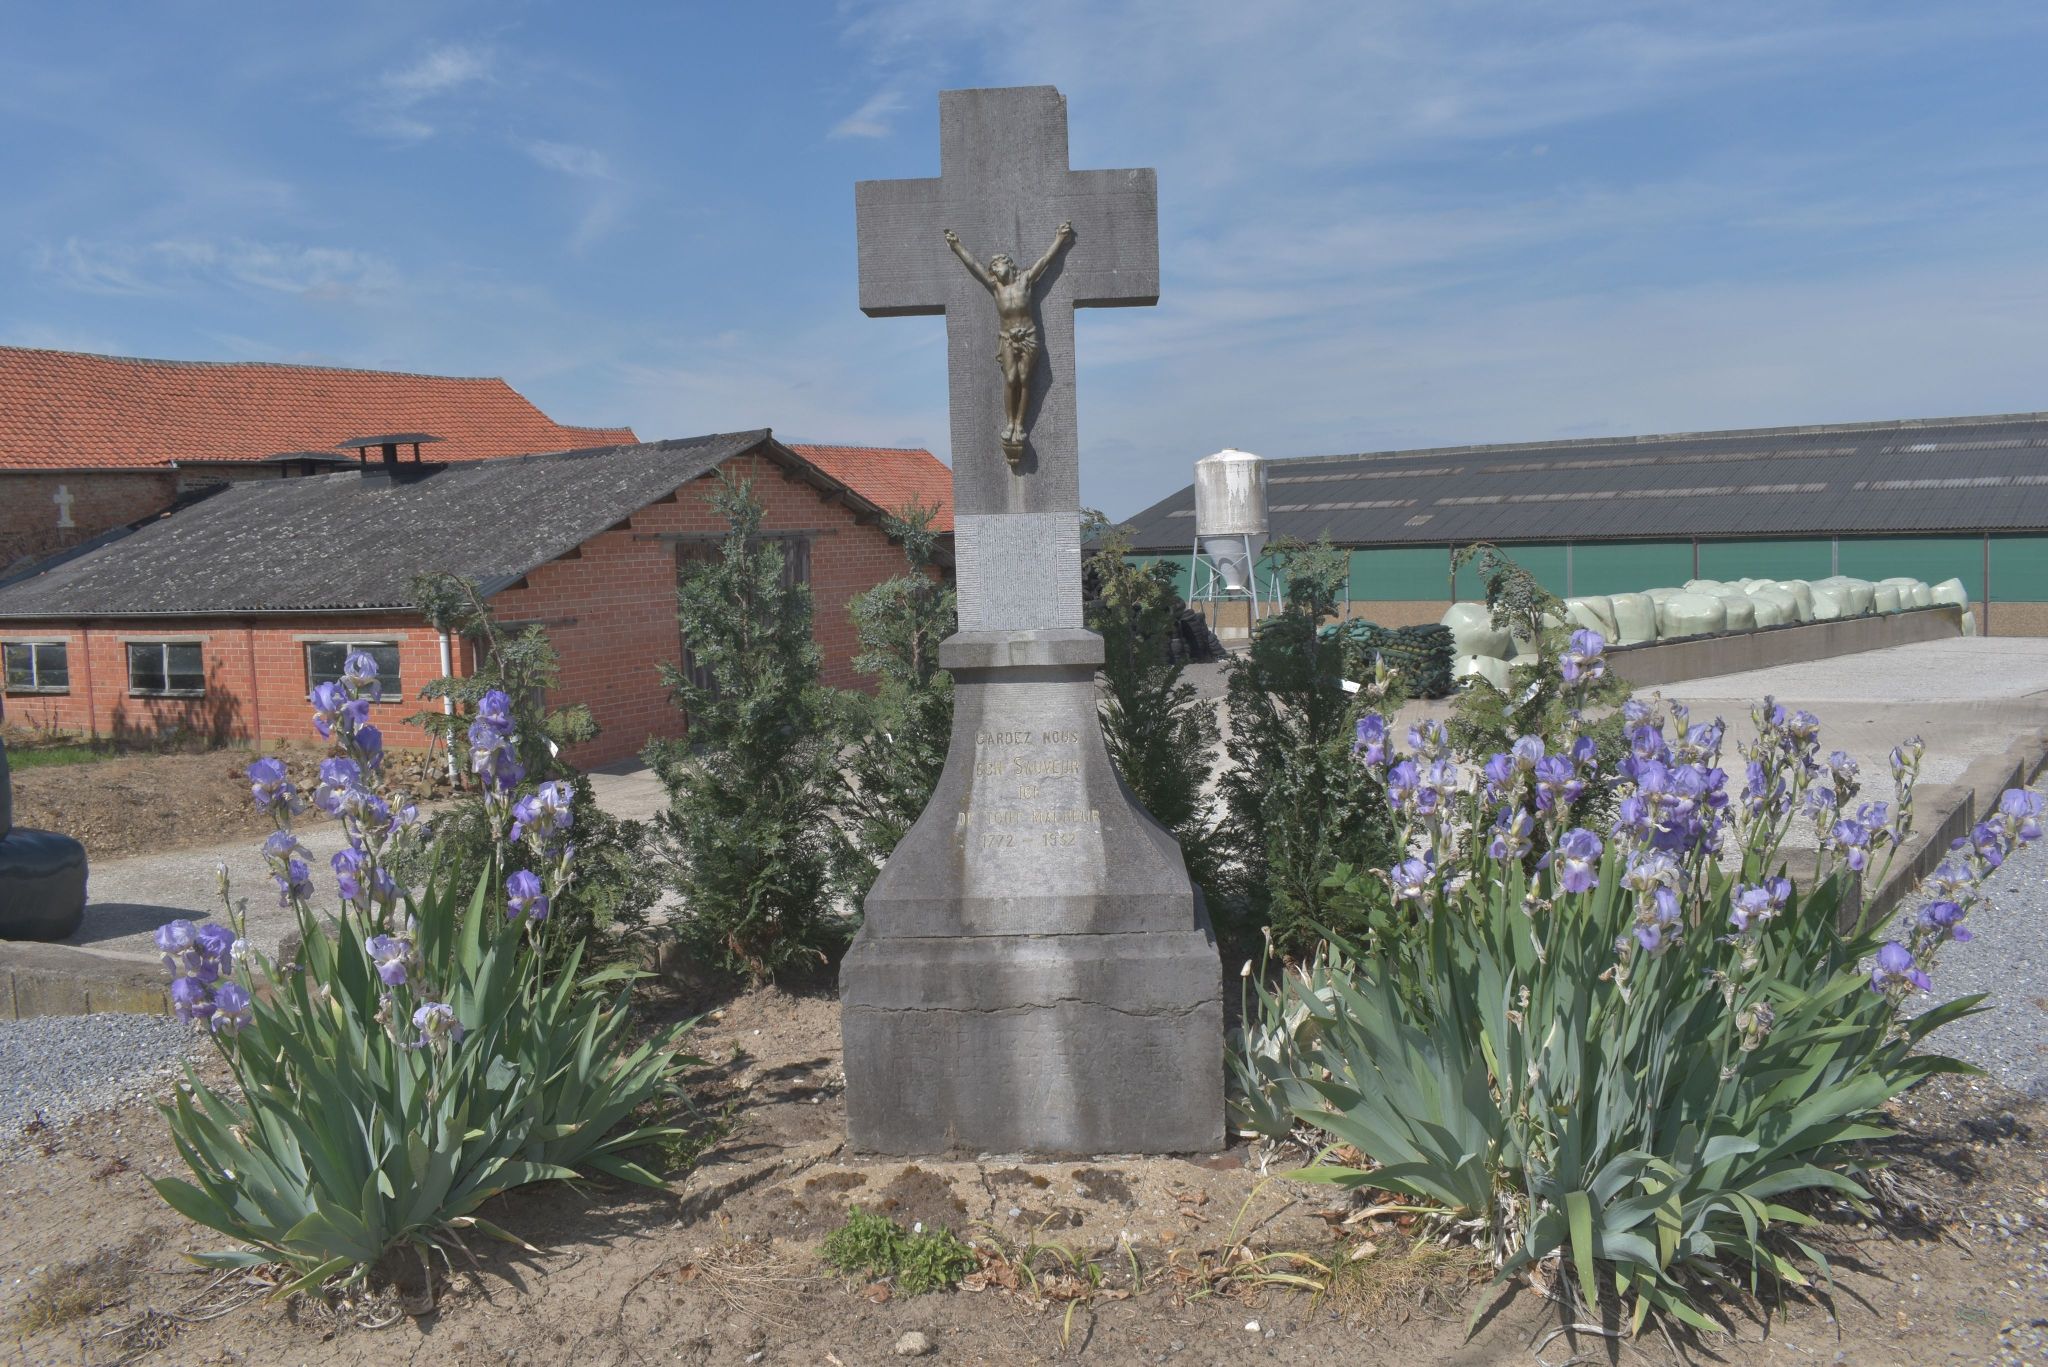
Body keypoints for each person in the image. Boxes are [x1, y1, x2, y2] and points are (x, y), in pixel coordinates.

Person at [944, 221, 1073, 460]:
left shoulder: (1025, 281)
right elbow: (974, 266)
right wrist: (957, 246)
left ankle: (1020, 424)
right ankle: (1010, 422)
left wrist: (1059, 238)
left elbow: (1045, 260)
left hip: (1029, 337)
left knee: (1024, 378)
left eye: (997, 265)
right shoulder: (996, 288)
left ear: (1009, 264)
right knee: (1010, 378)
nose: (993, 270)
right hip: (1007, 338)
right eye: (992, 268)